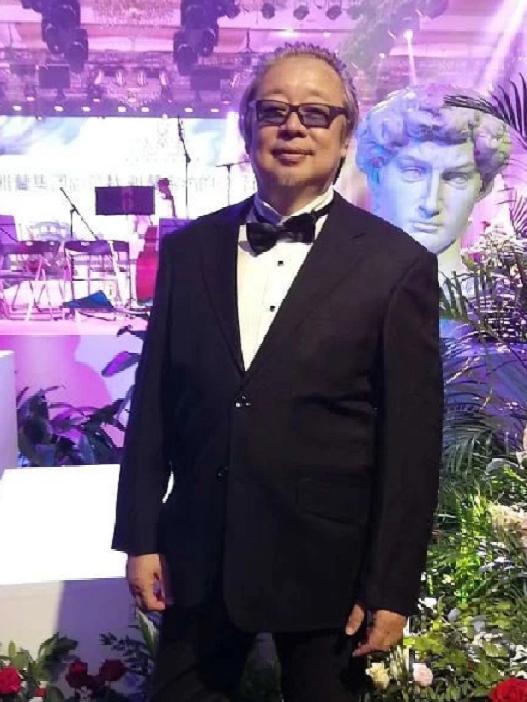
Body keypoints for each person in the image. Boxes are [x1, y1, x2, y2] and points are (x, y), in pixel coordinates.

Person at [112, 43, 443, 702]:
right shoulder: (188, 252)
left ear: (344, 137)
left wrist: (390, 586)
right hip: (200, 553)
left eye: (315, 114)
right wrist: (141, 535)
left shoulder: (396, 265)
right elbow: (153, 406)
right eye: (274, 111)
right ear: (248, 129)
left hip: (329, 565)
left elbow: (410, 445)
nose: (293, 127)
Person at [355, 84, 510, 278]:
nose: (431, 205)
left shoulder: (504, 296)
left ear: (483, 188)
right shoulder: (333, 288)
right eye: (413, 172)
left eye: (456, 178)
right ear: (376, 176)